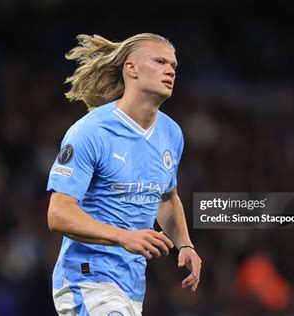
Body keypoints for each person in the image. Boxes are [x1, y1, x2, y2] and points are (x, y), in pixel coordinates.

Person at [46, 33, 202, 316]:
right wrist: (123, 237)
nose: (170, 70)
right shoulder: (90, 131)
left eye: (173, 66)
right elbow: (58, 214)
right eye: (160, 61)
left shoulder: (171, 134)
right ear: (131, 69)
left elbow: (166, 199)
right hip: (87, 278)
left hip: (130, 285)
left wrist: (185, 245)